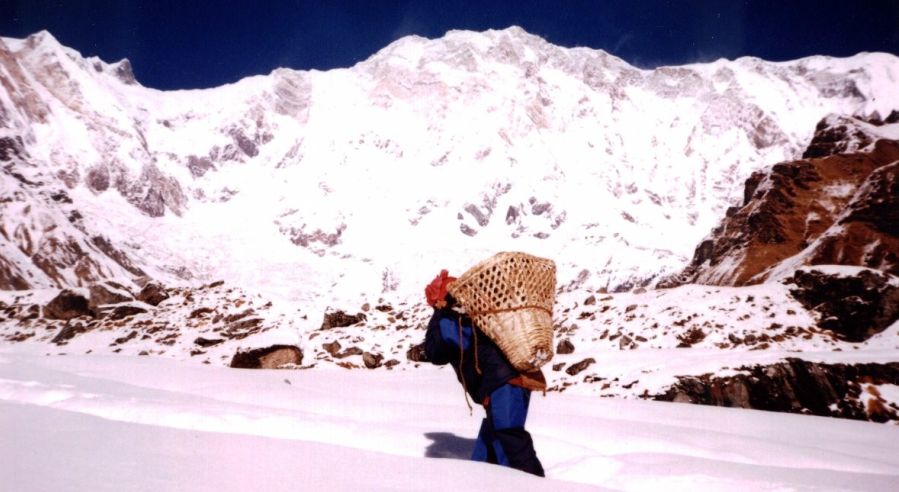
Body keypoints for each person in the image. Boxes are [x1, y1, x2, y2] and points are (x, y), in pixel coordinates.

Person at [423, 269, 545, 477]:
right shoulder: (479, 313)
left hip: (502, 382)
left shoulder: (453, 320)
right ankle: (482, 478)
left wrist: (439, 313)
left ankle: (534, 485)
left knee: (509, 434)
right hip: (511, 379)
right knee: (496, 432)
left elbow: (437, 352)